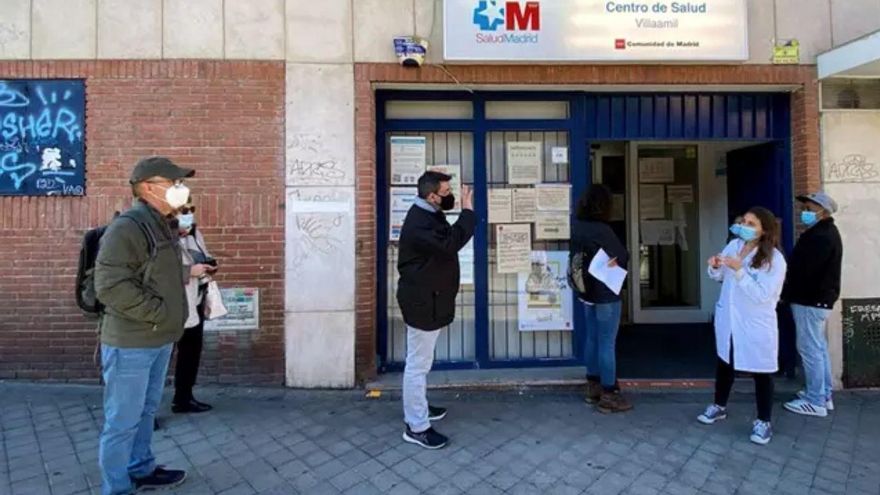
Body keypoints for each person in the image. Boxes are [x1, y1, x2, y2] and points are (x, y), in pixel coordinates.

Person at [94, 156, 193, 494]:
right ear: (149, 187)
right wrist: (157, 313)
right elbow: (109, 285)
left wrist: (187, 274)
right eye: (174, 183)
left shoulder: (160, 222)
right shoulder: (128, 227)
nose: (181, 189)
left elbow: (152, 273)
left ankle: (141, 467)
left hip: (157, 338)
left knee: (146, 411)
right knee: (122, 421)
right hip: (131, 342)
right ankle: (117, 487)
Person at [397, 171, 475, 449]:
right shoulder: (420, 222)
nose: (451, 194)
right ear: (431, 196)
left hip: (430, 298)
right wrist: (467, 212)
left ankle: (419, 406)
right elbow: (450, 243)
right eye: (446, 191)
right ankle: (416, 426)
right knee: (417, 365)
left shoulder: (428, 213)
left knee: (422, 361)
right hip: (422, 302)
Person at [698, 207, 787, 445]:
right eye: (743, 222)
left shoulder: (774, 260)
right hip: (729, 318)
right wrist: (715, 266)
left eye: (751, 224)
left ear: (764, 230)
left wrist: (739, 272)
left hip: (755, 322)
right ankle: (719, 405)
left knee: (762, 372)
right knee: (725, 362)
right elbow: (719, 278)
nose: (744, 227)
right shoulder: (734, 246)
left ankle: (763, 421)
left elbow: (763, 295)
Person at [570, 184, 632, 413]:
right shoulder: (603, 230)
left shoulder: (578, 227)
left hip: (586, 292)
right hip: (606, 292)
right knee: (607, 343)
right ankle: (609, 394)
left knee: (592, 339)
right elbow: (623, 255)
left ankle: (592, 387)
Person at [782, 192, 843, 418]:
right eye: (803, 208)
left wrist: (786, 291)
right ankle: (823, 394)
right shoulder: (824, 232)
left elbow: (805, 271)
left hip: (809, 300)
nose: (804, 213)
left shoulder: (821, 236)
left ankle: (815, 399)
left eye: (808, 209)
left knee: (809, 349)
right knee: (818, 348)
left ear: (823, 211)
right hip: (817, 299)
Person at [173, 198, 217, 414]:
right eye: (183, 212)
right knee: (157, 360)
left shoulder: (194, 234)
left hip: (194, 302)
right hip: (169, 306)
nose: (187, 217)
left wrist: (208, 266)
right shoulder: (160, 236)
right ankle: (144, 412)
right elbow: (153, 272)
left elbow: (201, 257)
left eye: (190, 212)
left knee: (190, 353)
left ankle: (184, 398)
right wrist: (188, 271)